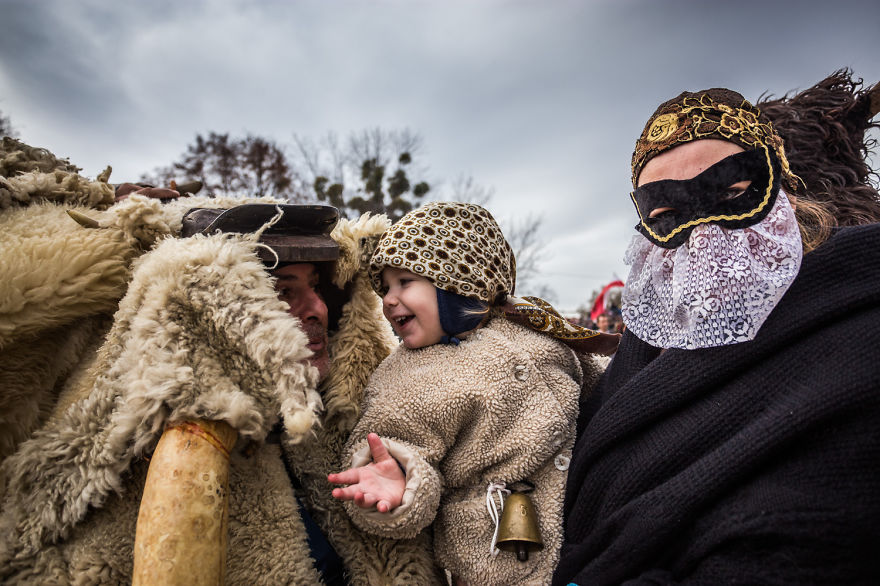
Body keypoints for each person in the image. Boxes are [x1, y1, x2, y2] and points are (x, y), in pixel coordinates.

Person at [0, 168, 441, 584]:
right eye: (284, 291)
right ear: (212, 304)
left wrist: (408, 490)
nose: (319, 310)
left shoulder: (366, 414)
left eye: (317, 287)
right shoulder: (134, 472)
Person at [555, 86, 880, 585]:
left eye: (731, 193)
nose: (703, 232)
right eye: (665, 214)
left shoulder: (858, 322)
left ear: (784, 192)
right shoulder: (643, 346)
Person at [328, 202, 616, 586]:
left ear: (459, 280)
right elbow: (394, 442)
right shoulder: (405, 375)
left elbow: (603, 396)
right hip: (495, 553)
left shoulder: (538, 328)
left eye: (405, 282)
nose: (389, 300)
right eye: (385, 287)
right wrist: (399, 484)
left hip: (590, 522)